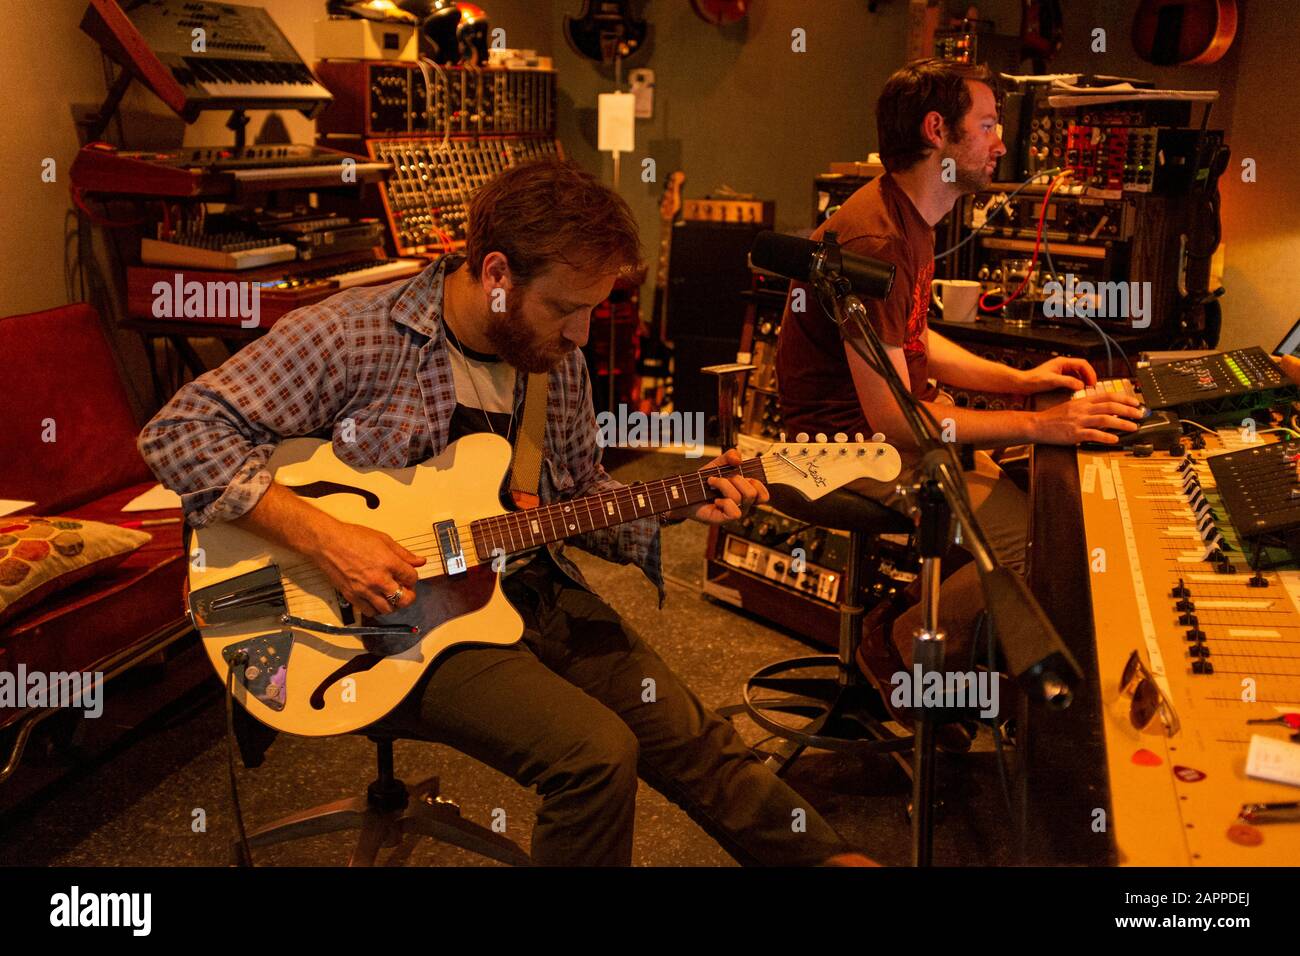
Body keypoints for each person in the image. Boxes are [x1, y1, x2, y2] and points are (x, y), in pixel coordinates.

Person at [140, 159, 874, 866]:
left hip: (521, 584)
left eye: (594, 309)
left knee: (691, 733)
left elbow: (579, 498)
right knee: (596, 756)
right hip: (380, 626)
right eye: (565, 308)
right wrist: (329, 539)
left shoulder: (558, 361)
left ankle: (830, 860)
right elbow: (177, 433)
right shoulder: (351, 334)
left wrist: (682, 501)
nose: (583, 334)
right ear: (496, 275)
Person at [777, 59, 1145, 686]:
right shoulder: (879, 239)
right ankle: (897, 647)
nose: (1001, 142)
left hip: (888, 438)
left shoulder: (908, 217)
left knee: (1039, 500)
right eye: (987, 125)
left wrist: (1021, 383)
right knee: (1040, 541)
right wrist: (1045, 425)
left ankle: (909, 624)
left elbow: (914, 339)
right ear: (936, 131)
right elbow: (893, 418)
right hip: (838, 451)